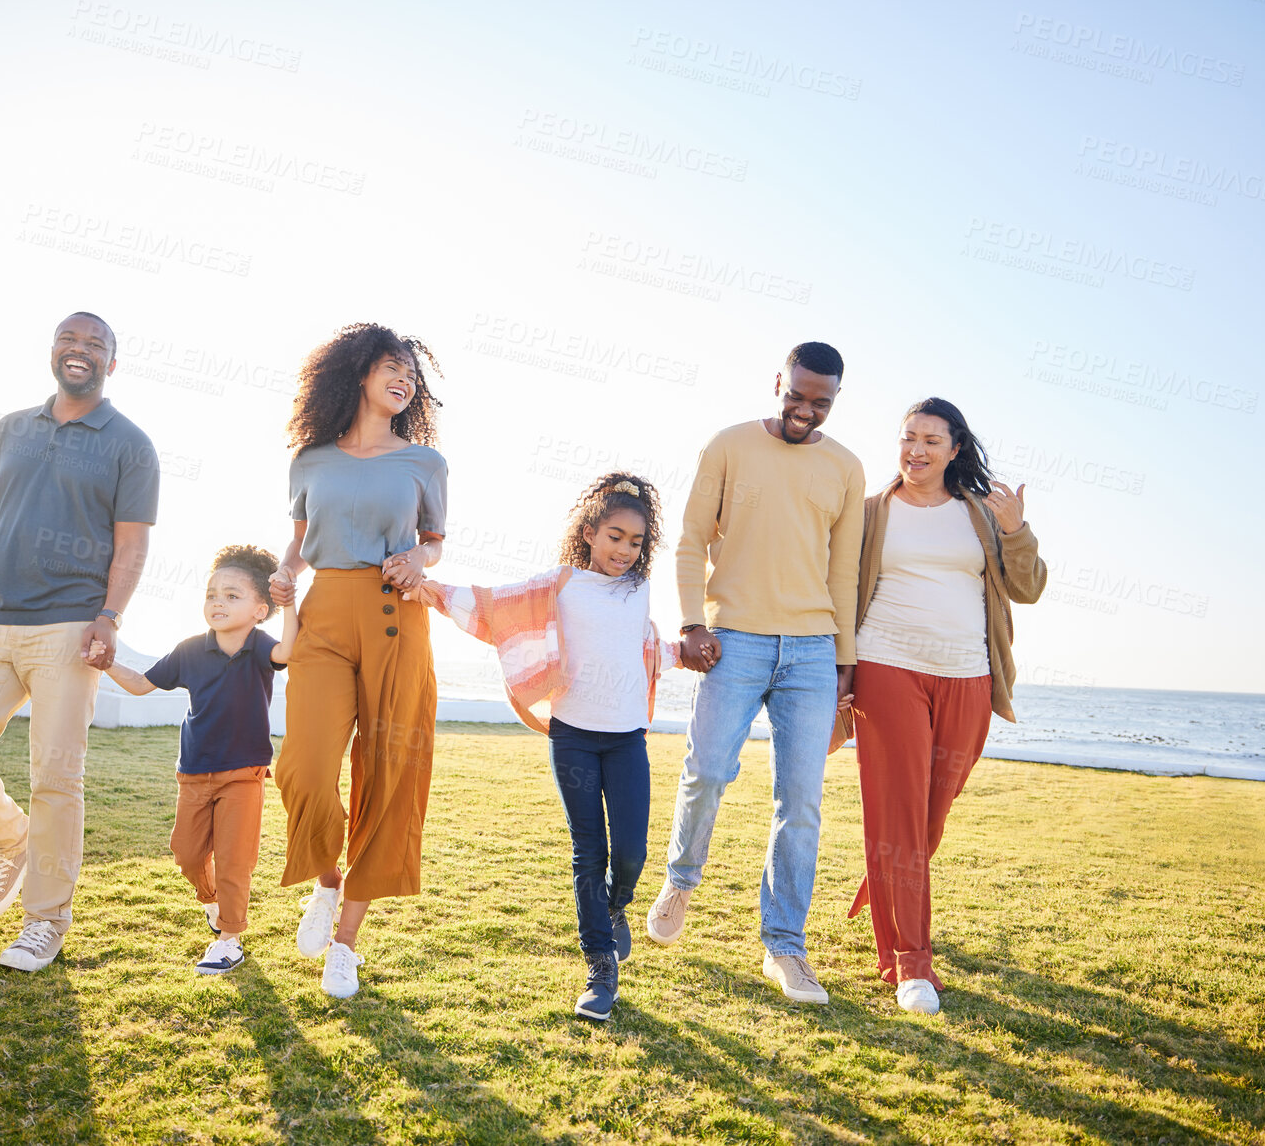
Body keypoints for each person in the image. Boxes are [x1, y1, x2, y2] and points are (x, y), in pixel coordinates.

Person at [0, 311, 159, 972]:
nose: (80, 351)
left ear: (112, 360)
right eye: (69, 340)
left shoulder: (130, 444)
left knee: (56, 776)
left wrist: (109, 615)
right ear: (52, 350)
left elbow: (132, 542)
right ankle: (10, 840)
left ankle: (45, 920)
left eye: (95, 343)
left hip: (72, 625)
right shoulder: (9, 430)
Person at [420, 472, 685, 1020]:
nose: (624, 550)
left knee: (631, 852)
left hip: (627, 736)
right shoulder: (560, 583)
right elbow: (496, 607)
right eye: (614, 536)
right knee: (590, 851)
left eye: (636, 543)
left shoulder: (640, 589)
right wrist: (428, 589)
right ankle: (600, 967)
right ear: (589, 532)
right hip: (574, 737)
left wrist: (689, 652)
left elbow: (644, 645)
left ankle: (617, 907)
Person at [646, 341, 864, 1006]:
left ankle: (784, 948)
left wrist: (845, 662)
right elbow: (688, 538)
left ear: (833, 400)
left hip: (811, 650)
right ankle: (681, 878)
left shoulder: (845, 468)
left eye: (818, 401)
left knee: (799, 802)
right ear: (778, 382)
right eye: (794, 394)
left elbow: (843, 571)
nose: (804, 409)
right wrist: (690, 622)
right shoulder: (728, 445)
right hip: (732, 639)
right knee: (708, 768)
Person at [842, 397, 1046, 1015]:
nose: (917, 450)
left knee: (930, 813)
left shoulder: (981, 514)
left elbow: (1027, 587)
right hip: (886, 667)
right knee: (899, 813)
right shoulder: (873, 511)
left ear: (955, 449)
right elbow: (835, 580)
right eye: (909, 438)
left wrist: (1016, 530)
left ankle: (884, 885)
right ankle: (910, 963)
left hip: (968, 676)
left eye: (932, 440)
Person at [267, 322, 447, 1000]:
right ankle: (326, 878)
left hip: (395, 612)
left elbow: (432, 543)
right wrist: (283, 575)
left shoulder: (424, 463)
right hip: (325, 611)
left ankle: (345, 943)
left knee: (388, 772)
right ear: (357, 374)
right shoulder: (310, 458)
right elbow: (299, 543)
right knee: (304, 767)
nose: (402, 380)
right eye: (390, 368)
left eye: (410, 374)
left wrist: (416, 558)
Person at [92, 545, 294, 974]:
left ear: (261, 609)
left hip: (244, 775)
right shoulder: (189, 651)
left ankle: (230, 939)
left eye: (232, 595)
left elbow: (289, 653)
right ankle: (213, 903)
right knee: (185, 854)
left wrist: (291, 605)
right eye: (211, 593)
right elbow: (141, 684)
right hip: (194, 774)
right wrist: (107, 663)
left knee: (235, 861)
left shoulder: (261, 647)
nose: (217, 602)